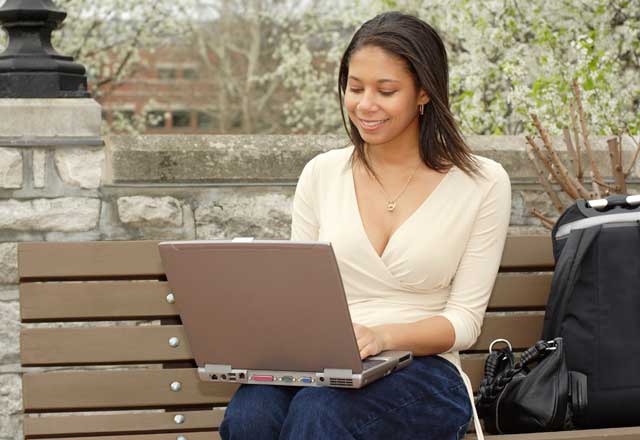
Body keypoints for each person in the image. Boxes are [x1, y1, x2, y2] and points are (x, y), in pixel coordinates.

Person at [220, 11, 511, 440]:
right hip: (322, 365)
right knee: (251, 415)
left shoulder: (483, 183)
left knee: (321, 413)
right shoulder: (321, 173)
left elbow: (464, 322)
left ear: (424, 92)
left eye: (386, 90)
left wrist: (380, 336)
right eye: (355, 88)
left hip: (425, 370)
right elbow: (300, 296)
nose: (364, 104)